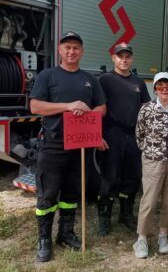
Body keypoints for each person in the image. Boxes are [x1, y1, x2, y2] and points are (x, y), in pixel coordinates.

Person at [30, 31, 107, 262]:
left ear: (82, 52)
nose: (71, 51)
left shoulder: (90, 79)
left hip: (80, 145)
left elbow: (101, 109)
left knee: (73, 192)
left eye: (76, 47)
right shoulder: (47, 75)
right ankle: (44, 238)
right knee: (48, 193)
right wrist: (68, 106)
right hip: (53, 144)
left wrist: (87, 115)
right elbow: (35, 107)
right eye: (67, 47)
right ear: (60, 51)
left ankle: (66, 233)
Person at [97, 43, 150, 236]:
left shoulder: (139, 83)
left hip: (134, 136)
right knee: (110, 177)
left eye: (128, 56)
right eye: (120, 56)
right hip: (112, 134)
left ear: (132, 59)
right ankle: (104, 217)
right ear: (113, 58)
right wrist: (97, 135)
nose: (124, 60)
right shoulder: (104, 80)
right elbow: (96, 109)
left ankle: (126, 214)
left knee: (132, 177)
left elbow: (146, 109)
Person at [133, 72, 168, 259]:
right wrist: (150, 152)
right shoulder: (147, 108)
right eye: (160, 86)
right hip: (152, 161)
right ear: (154, 89)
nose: (164, 89)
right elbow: (139, 133)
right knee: (149, 200)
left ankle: (163, 235)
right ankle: (142, 238)